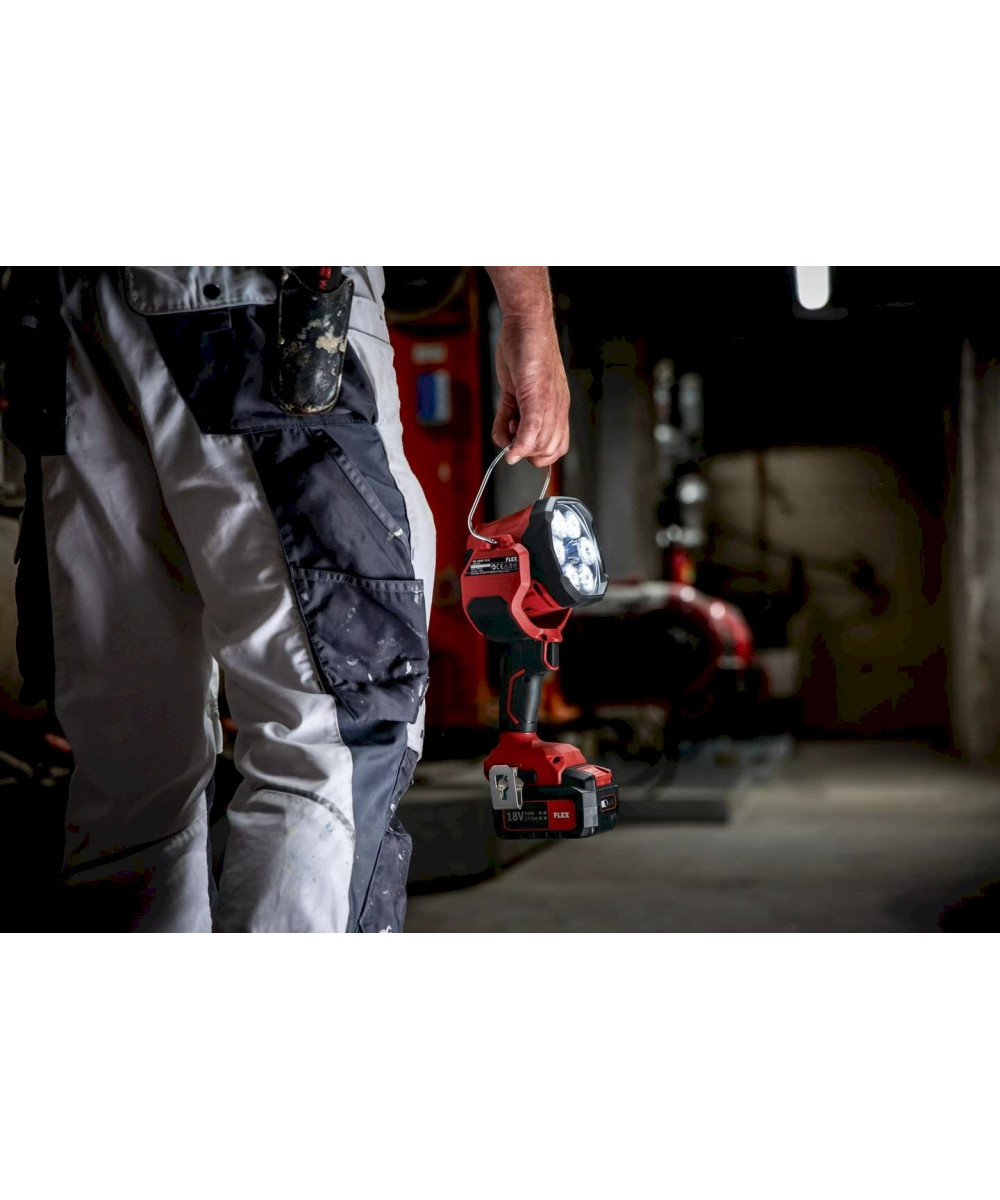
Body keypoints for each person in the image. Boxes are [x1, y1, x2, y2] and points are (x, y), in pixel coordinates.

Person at [0, 265, 570, 932]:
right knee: (329, 746)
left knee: (129, 770)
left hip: (65, 315)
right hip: (264, 298)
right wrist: (529, 318)